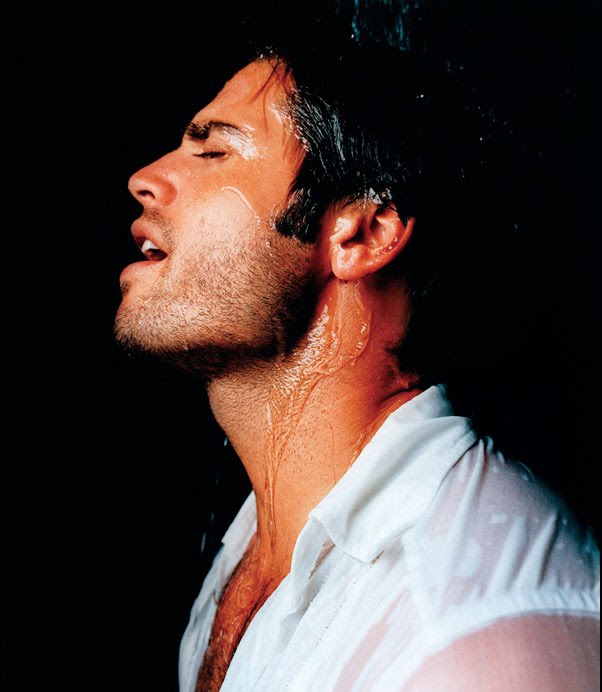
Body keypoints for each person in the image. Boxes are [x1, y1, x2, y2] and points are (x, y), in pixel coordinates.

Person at [114, 42, 600, 691]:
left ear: (362, 234)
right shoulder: (257, 541)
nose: (145, 177)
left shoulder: (474, 638)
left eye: (214, 152)